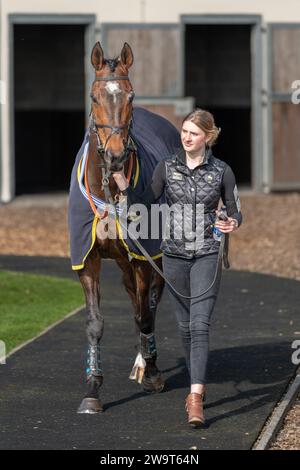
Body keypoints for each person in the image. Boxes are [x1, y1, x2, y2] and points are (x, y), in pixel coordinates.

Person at [112, 108, 242, 427]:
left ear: (208, 138)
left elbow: (236, 208)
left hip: (207, 254)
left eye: (193, 133)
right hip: (173, 256)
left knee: (200, 325)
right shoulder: (166, 168)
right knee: (184, 327)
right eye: (184, 131)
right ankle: (194, 386)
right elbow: (146, 201)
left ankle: (196, 397)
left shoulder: (223, 171)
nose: (186, 137)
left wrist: (232, 220)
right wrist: (123, 186)